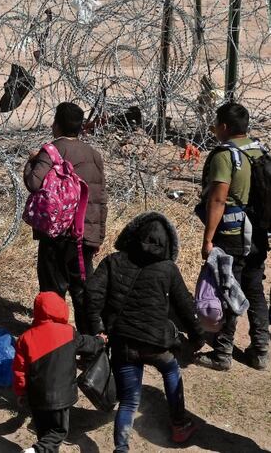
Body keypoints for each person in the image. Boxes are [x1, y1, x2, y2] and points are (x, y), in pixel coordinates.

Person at [86, 212, 205, 451]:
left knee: (129, 401)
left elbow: (91, 294)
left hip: (123, 343)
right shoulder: (168, 269)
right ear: (168, 244)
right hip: (155, 343)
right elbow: (185, 306)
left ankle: (121, 448)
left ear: (133, 235)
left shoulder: (113, 261)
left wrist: (98, 328)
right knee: (171, 370)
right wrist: (198, 337)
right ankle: (179, 425)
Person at [194, 102, 269, 371]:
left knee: (229, 287)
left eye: (216, 123)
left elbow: (218, 198)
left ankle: (222, 352)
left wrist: (208, 239)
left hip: (233, 233)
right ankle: (260, 349)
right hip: (258, 233)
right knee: (254, 288)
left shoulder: (225, 156)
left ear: (224, 127)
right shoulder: (259, 150)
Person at [23, 102, 107, 334]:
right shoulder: (94, 155)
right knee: (82, 291)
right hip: (83, 235)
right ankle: (89, 342)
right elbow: (101, 199)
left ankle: (54, 339)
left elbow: (33, 183)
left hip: (55, 234)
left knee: (52, 289)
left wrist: (32, 162)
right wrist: (98, 236)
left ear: (57, 125)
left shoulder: (51, 151)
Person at [12, 292, 104, 453]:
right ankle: (34, 451)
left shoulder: (25, 338)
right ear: (62, 309)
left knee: (45, 434)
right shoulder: (68, 333)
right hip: (61, 396)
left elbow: (19, 370)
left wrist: (21, 393)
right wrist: (101, 340)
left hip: (36, 397)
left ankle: (40, 449)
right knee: (57, 432)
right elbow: (89, 344)